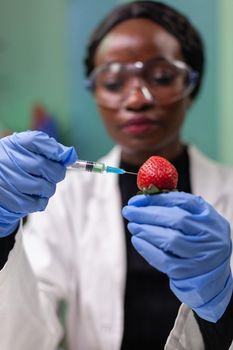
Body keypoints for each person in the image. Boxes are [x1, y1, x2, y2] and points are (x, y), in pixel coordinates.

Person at [0, 1, 232, 349]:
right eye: (112, 81)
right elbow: (22, 337)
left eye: (162, 77)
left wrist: (224, 305)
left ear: (191, 86)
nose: (137, 99)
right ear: (95, 94)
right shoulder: (66, 198)